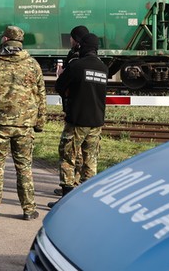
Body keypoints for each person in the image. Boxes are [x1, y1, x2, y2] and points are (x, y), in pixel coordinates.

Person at [0, 26, 46, 221]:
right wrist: (40, 122)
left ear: (5, 39)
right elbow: (41, 95)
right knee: (24, 167)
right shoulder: (32, 64)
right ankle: (29, 209)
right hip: (25, 124)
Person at [48, 33, 107, 207]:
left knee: (68, 157)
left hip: (77, 120)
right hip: (96, 121)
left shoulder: (77, 66)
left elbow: (59, 86)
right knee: (91, 159)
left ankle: (66, 199)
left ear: (83, 46)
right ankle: (89, 200)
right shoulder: (104, 68)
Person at [53, 25, 90, 196]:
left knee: (70, 150)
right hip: (81, 107)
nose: (69, 40)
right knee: (80, 151)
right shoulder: (79, 55)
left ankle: (70, 187)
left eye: (71, 37)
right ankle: (74, 182)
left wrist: (61, 74)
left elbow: (68, 80)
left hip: (75, 107)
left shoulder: (76, 57)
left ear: (76, 39)